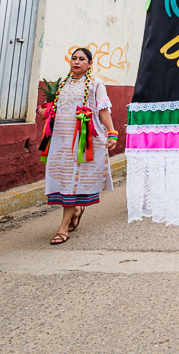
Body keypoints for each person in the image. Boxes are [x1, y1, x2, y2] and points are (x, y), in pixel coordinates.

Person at [37, 47, 118, 245]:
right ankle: (76, 208)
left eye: (82, 59)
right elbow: (52, 107)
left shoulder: (96, 83)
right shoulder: (62, 83)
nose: (77, 62)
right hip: (60, 141)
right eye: (74, 58)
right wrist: (44, 110)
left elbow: (103, 110)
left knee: (71, 181)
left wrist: (112, 132)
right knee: (64, 178)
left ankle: (63, 228)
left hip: (83, 141)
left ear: (90, 64)